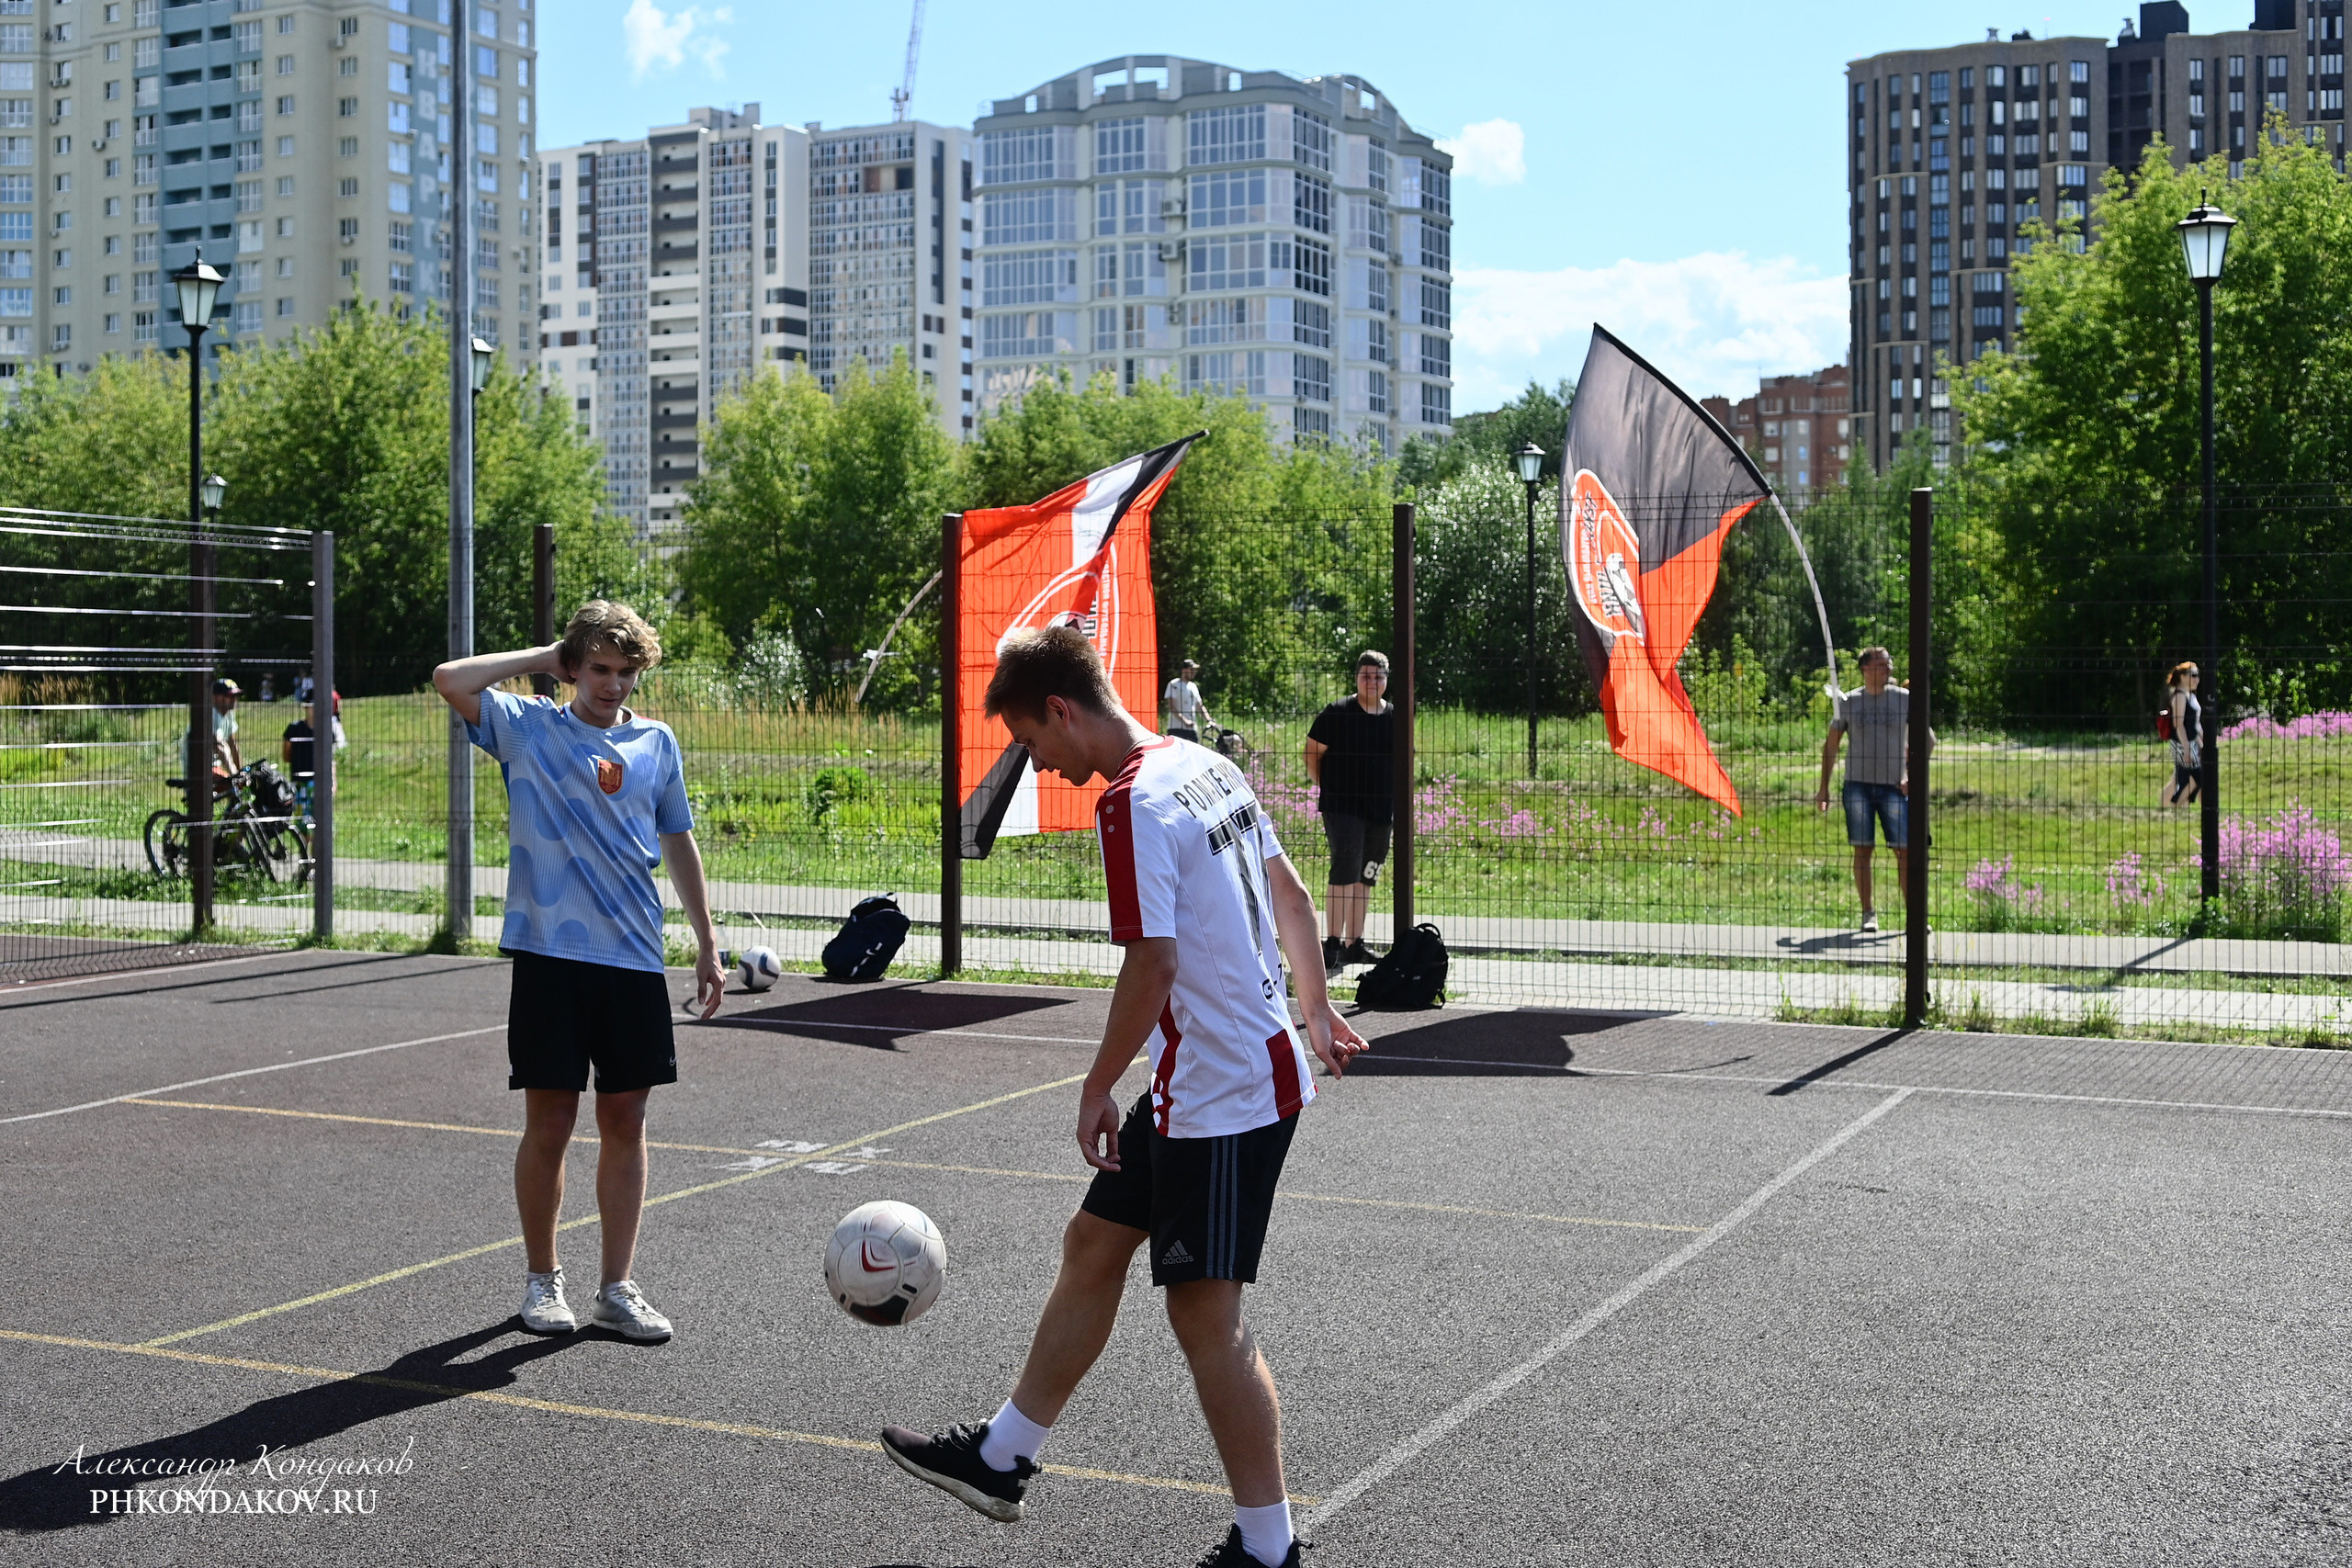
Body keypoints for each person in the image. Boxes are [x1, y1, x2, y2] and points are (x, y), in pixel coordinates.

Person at [879, 625, 1365, 1568]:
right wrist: (1313, 1006)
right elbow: (1292, 892)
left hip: (1222, 1092)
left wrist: (1097, 1085)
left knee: (1204, 1320)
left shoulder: (1133, 802)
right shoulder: (1201, 764)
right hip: (1218, 1073)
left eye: (1030, 744)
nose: (1038, 766)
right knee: (1094, 1241)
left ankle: (1270, 1551)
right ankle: (1002, 1458)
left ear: (1061, 711)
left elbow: (1153, 963)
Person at [431, 600, 726, 1344]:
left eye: (626, 671)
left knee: (626, 1121)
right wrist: (544, 658)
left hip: (631, 957)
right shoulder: (529, 729)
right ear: (573, 667)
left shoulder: (657, 742)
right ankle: (542, 1279)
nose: (613, 684)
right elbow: (448, 677)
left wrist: (706, 940)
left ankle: (617, 1288)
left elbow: (679, 841)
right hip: (550, 955)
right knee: (551, 1122)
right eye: (598, 668)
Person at [1815, 646, 1933, 933]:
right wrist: (1824, 789)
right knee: (1863, 850)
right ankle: (1868, 914)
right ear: (1865, 669)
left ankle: (1914, 917)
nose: (1888, 669)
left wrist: (1913, 778)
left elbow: (1927, 740)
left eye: (1889, 663)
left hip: (1894, 787)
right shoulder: (1849, 702)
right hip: (1857, 787)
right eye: (1880, 664)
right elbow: (1831, 746)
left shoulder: (1905, 699)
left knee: (1905, 852)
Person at [1303, 650, 1394, 973]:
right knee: (1344, 870)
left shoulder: (1394, 716)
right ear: (1357, 678)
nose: (1372, 681)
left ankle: (1356, 943)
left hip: (1381, 810)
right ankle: (1333, 943)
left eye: (1378, 676)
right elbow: (1312, 753)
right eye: (1366, 676)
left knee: (1367, 875)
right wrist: (1327, 784)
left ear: (1387, 679)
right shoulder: (1337, 712)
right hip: (1342, 807)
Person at [2163, 661, 2202, 807]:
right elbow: (2178, 725)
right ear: (2183, 677)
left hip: (2193, 743)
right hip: (2182, 743)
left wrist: (2201, 742)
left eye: (2198, 675)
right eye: (2194, 675)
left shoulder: (2190, 696)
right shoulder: (2179, 696)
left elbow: (2195, 723)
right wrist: (2186, 748)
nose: (2197, 679)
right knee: (2197, 778)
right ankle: (2176, 805)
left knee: (2180, 779)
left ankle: (2166, 806)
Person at [1162, 657, 1210, 744]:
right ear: (1184, 670)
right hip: (1176, 728)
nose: (1194, 672)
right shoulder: (1173, 684)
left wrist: (1209, 720)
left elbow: (1199, 706)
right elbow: (1172, 707)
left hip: (1191, 728)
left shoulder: (1193, 686)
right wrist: (1185, 721)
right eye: (1191, 669)